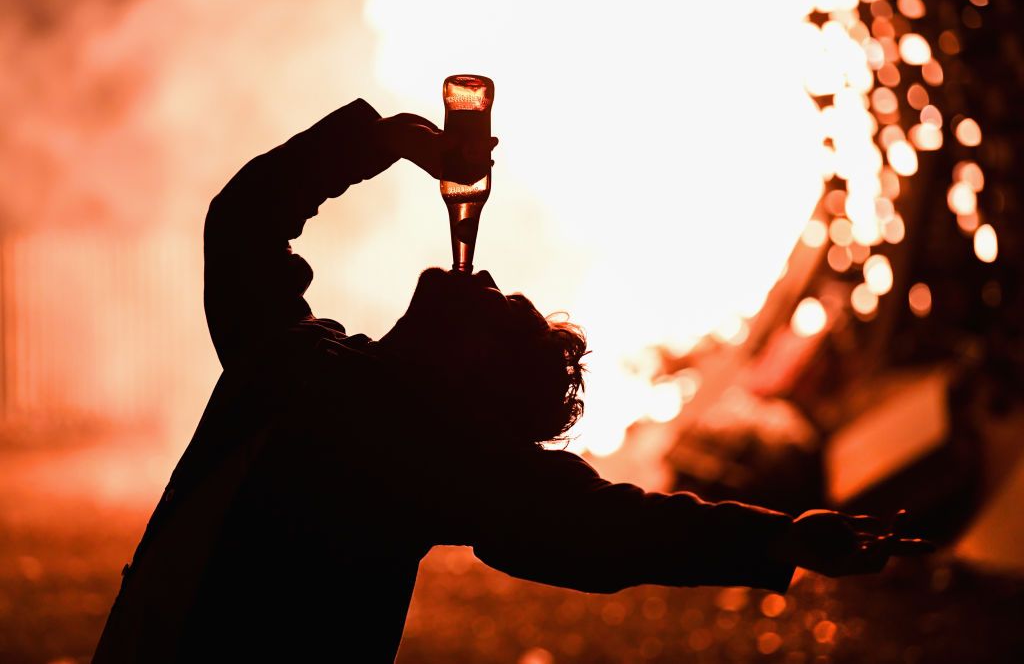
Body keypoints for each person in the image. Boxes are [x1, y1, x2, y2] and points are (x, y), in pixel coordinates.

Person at [93, 98, 929, 663]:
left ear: (472, 374)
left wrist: (773, 537)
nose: (486, 280)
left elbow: (606, 526)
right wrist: (382, 140)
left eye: (501, 310)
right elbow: (244, 221)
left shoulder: (436, 453)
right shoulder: (294, 352)